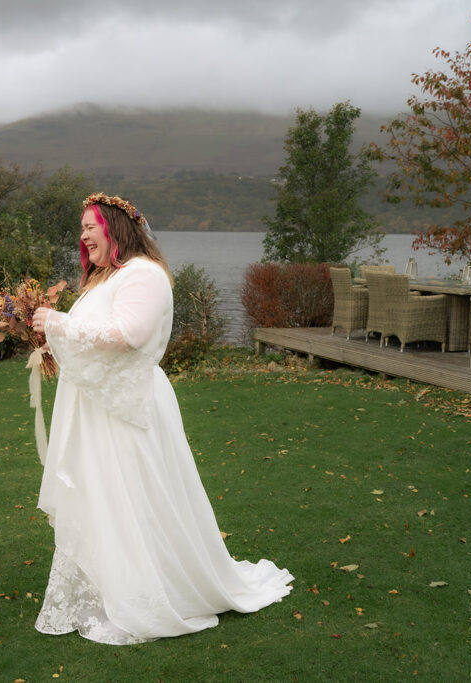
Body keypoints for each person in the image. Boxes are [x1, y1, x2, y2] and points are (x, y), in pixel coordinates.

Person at [29, 192, 294, 644]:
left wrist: (58, 323)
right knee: (103, 495)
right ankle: (109, 587)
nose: (82, 235)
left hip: (129, 406)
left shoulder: (145, 276)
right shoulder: (103, 280)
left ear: (116, 228)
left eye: (89, 226)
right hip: (98, 405)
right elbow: (93, 338)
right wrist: (53, 340)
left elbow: (129, 335)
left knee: (134, 493)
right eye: (81, 228)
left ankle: (150, 594)